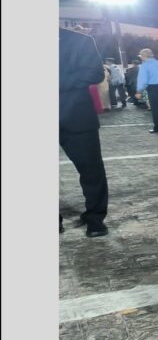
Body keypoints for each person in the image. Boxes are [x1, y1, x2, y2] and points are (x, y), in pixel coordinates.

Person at [59, 28, 109, 237]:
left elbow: (95, 73)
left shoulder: (80, 40)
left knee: (91, 171)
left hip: (77, 117)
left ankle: (95, 220)